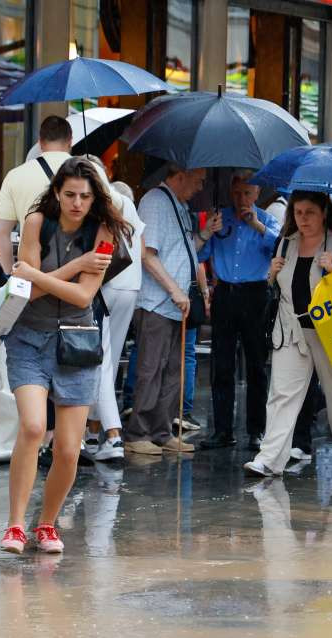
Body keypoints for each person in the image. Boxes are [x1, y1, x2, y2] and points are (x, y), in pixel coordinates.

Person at [0, 157, 130, 555]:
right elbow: (32, 294)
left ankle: (47, 524)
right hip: (29, 337)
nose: (77, 202)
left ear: (95, 199)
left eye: (85, 196)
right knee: (34, 426)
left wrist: (35, 274)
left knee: (70, 448)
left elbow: (83, 295)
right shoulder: (38, 221)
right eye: (70, 194)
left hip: (78, 340)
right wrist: (74, 265)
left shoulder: (104, 231)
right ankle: (16, 525)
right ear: (57, 193)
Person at [243, 191, 332, 477]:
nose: (303, 219)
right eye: (298, 212)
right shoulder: (286, 244)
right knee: (281, 394)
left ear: (324, 213)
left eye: (310, 212)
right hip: (291, 329)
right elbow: (279, 290)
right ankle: (270, 458)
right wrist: (271, 275)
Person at [124, 164, 211, 455]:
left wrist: (205, 234)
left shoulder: (178, 205)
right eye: (197, 181)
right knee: (152, 367)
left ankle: (161, 430)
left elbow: (181, 250)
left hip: (176, 303)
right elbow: (147, 254)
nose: (200, 187)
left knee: (173, 369)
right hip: (159, 302)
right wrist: (174, 288)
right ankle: (138, 432)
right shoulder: (156, 202)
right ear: (179, 176)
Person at [195, 171, 281, 450]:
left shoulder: (266, 220)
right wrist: (209, 231)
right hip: (226, 294)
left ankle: (257, 430)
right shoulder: (223, 219)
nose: (242, 198)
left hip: (256, 294)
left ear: (257, 195)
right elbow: (200, 255)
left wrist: (257, 226)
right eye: (238, 193)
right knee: (222, 365)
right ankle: (222, 430)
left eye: (247, 193)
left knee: (256, 365)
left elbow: (281, 249)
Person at [81, 160, 145, 461]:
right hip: (131, 285)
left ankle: (112, 434)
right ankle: (94, 433)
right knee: (108, 357)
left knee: (101, 363)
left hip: (105, 286)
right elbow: (139, 246)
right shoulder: (125, 200)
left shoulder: (99, 203)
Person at [0, 116, 73, 276]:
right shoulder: (90, 171)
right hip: (77, 271)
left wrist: (10, 272)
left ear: (40, 143)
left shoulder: (16, 175)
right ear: (70, 141)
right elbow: (116, 211)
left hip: (32, 271)